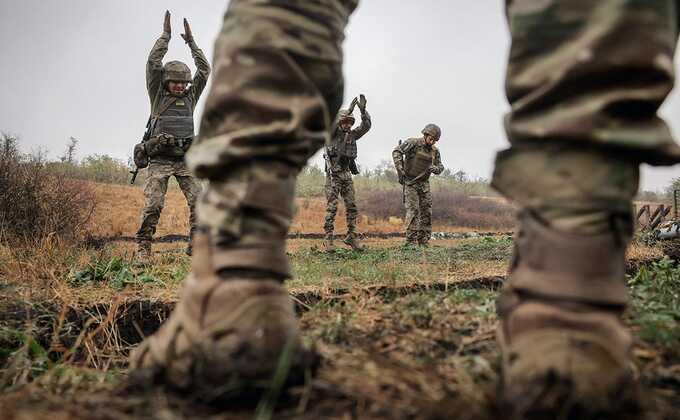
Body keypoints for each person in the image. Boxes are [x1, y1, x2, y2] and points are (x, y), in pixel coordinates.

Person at [131, 1, 680, 417]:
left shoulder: (406, 144)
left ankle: (233, 290)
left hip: (322, 172)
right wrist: (167, 43)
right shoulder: (164, 96)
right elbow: (360, 143)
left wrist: (365, 116)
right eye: (176, 79)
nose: (179, 84)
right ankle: (571, 310)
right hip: (328, 173)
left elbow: (365, 131)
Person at [135, 11, 210, 259]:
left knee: (199, 202)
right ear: (166, 82)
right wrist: (165, 37)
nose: (180, 86)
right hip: (160, 160)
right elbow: (152, 63)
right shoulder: (158, 95)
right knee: (154, 204)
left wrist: (191, 42)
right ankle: (144, 247)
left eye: (183, 82)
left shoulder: (191, 96)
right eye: (175, 82)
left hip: (185, 160)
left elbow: (205, 69)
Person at [323, 95, 371, 251]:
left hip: (346, 174)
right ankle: (328, 239)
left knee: (352, 207)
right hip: (333, 175)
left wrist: (363, 111)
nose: (347, 125)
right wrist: (347, 111)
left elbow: (366, 126)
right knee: (332, 207)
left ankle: (351, 237)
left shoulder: (352, 135)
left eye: (350, 122)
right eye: (344, 122)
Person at [393, 124, 444, 247]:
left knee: (427, 211)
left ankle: (423, 240)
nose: (432, 142)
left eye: (435, 140)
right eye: (431, 139)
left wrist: (435, 169)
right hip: (410, 183)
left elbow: (441, 167)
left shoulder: (435, 151)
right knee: (413, 210)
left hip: (424, 184)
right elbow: (397, 151)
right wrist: (400, 168)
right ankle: (411, 241)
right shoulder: (413, 143)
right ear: (425, 135)